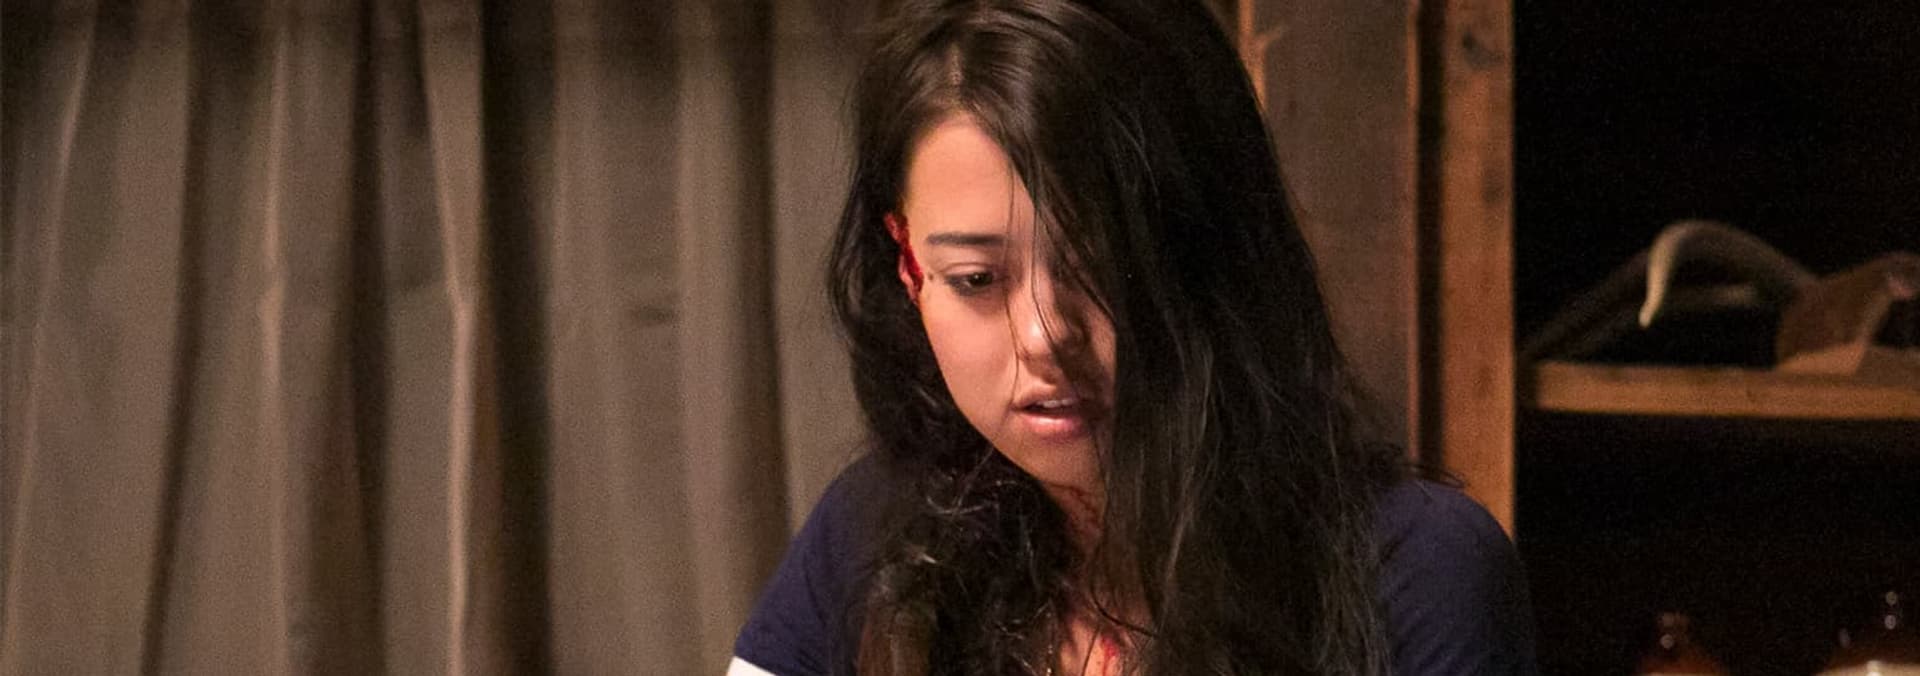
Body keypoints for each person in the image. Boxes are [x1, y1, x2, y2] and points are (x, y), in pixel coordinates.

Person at [731, 0, 1537, 673]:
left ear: (1212, 254)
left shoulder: (1414, 570)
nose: (1045, 334)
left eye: (1104, 266)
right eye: (976, 279)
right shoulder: (877, 533)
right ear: (909, 268)